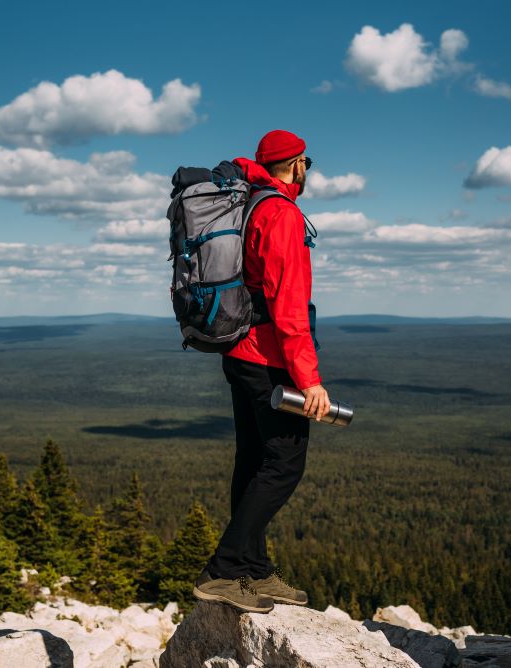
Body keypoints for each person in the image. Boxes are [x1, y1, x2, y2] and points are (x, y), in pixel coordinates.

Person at [193, 130, 330, 613]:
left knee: (253, 459)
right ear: (294, 165)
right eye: (306, 161)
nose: (307, 169)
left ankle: (253, 569)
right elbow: (288, 305)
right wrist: (308, 379)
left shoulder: (250, 204)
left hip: (239, 352)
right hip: (270, 358)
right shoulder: (281, 213)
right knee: (284, 463)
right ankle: (224, 569)